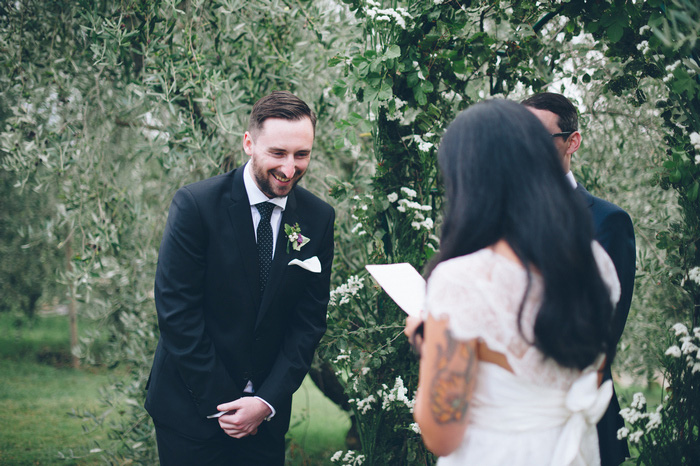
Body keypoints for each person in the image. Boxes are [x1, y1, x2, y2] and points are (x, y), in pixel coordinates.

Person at [405, 99, 621, 465]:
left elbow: (441, 434)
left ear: (468, 178)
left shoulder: (462, 280)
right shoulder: (594, 262)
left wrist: (428, 346)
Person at [144, 91, 335, 465]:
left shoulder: (318, 218)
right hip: (190, 411)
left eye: (302, 154)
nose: (290, 168)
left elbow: (309, 322)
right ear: (249, 142)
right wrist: (229, 405)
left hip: (266, 417)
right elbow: (176, 312)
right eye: (278, 153)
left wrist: (264, 403)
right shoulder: (196, 206)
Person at [523, 92, 636, 466]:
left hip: (575, 411)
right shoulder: (500, 218)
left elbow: (604, 330)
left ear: (573, 141)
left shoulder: (607, 222)